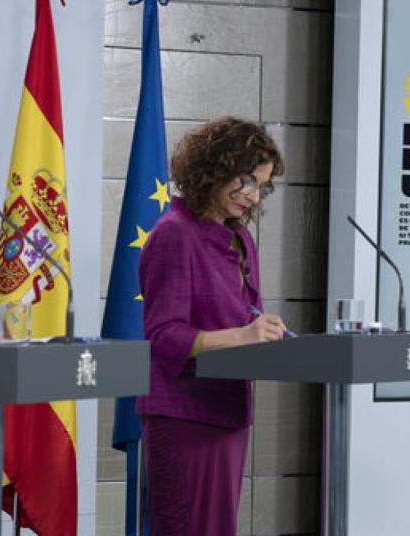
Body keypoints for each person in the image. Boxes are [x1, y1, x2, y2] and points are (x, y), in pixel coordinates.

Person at [137, 117, 288, 535]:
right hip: (184, 416)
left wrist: (269, 334)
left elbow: (247, 318)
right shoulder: (174, 234)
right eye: (246, 182)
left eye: (261, 186)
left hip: (229, 410)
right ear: (213, 171)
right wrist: (243, 336)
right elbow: (163, 338)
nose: (253, 197)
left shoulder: (241, 240)